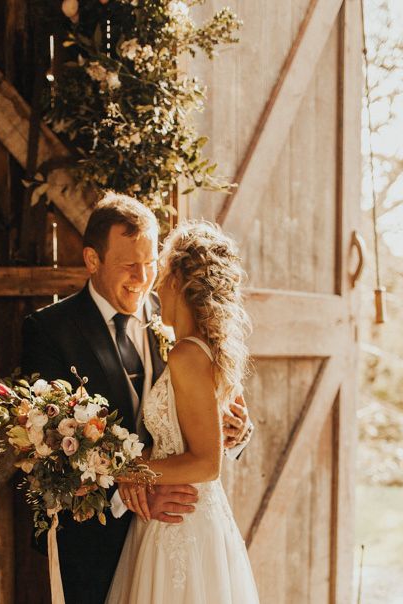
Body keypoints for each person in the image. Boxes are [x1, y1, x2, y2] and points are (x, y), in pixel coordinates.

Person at [21, 193, 253, 604]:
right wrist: (130, 489)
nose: (143, 277)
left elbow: (203, 423)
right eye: (130, 265)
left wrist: (235, 429)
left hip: (174, 529)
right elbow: (51, 451)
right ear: (93, 260)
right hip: (94, 538)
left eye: (150, 263)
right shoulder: (50, 331)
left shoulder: (174, 321)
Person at [105, 220, 260, 603]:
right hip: (189, 515)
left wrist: (130, 471)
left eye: (163, 270)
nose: (155, 284)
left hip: (181, 519)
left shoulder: (187, 354)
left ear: (178, 280)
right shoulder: (208, 349)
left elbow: (207, 463)